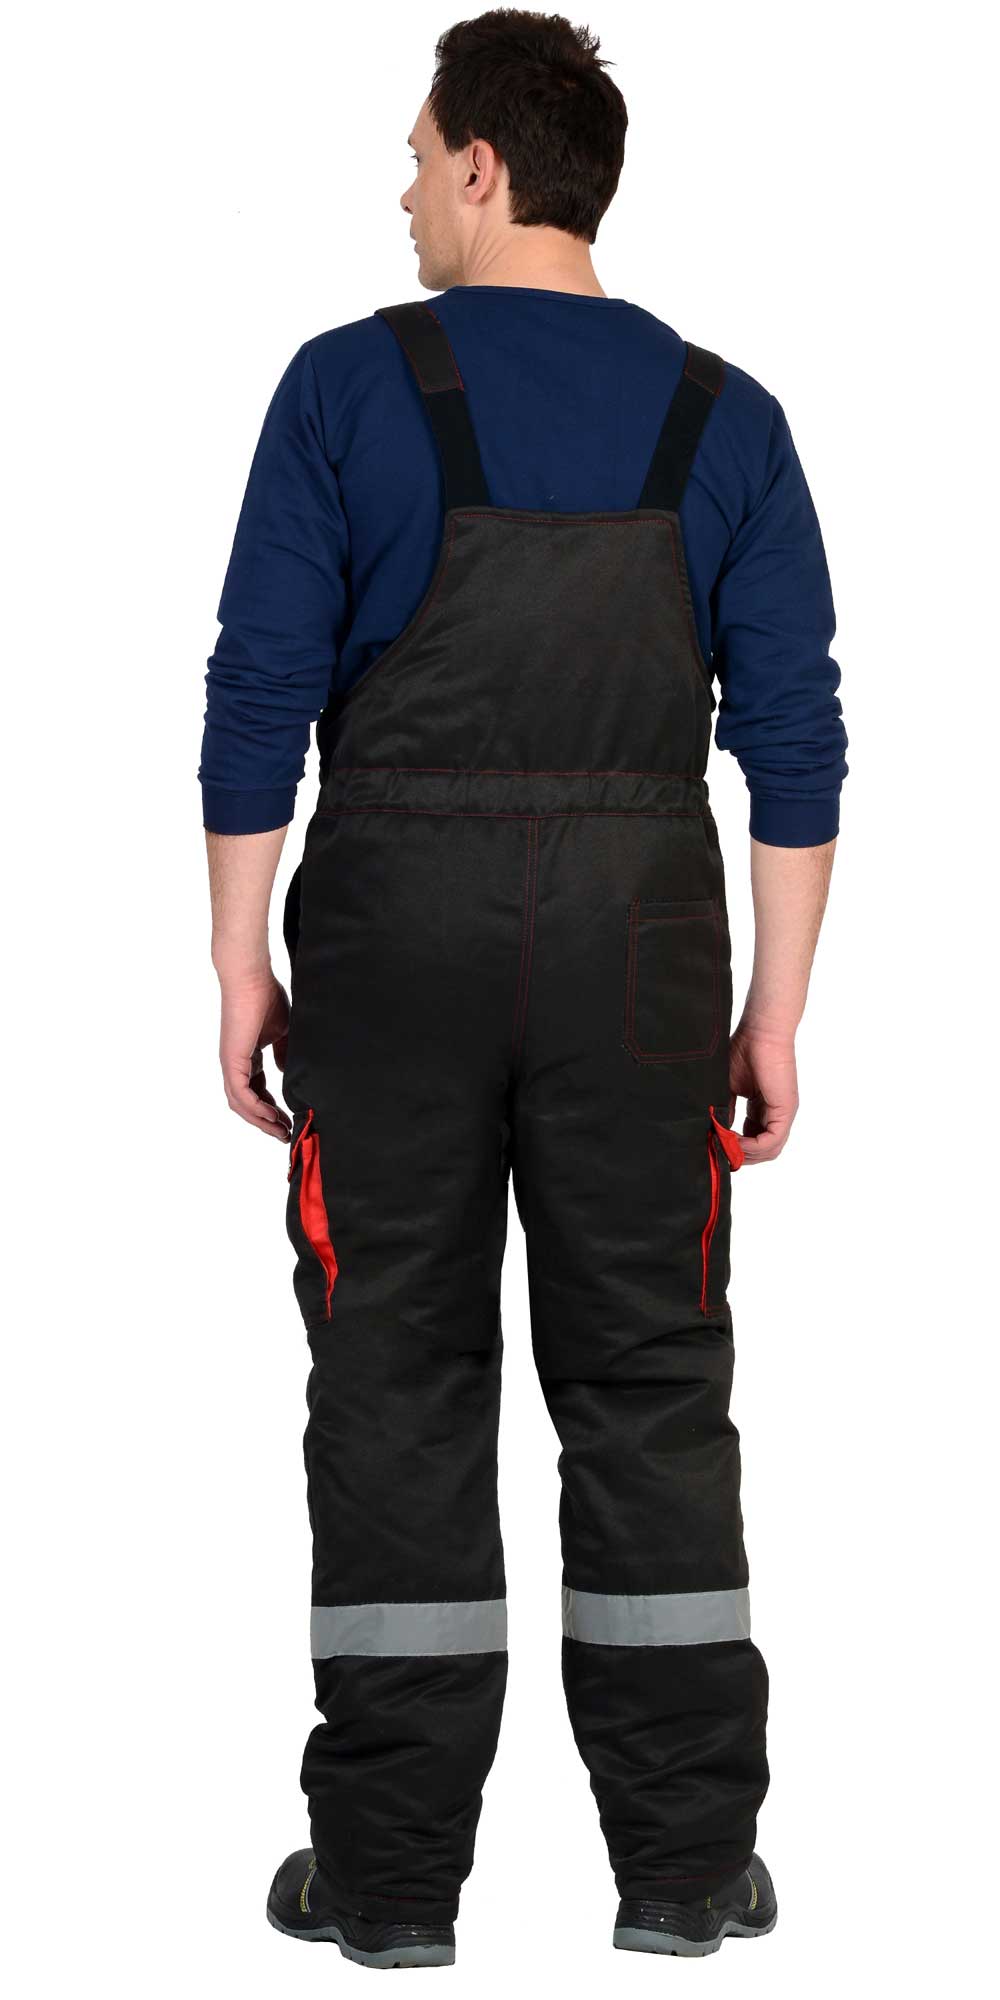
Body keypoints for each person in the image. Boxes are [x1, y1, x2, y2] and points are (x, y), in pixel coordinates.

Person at [200, 9, 846, 1969]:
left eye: (416, 155)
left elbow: (259, 692)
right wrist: (774, 1009)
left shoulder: (344, 386)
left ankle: (392, 1883)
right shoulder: (728, 419)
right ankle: (683, 1868)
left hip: (392, 929)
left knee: (394, 1378)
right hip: (644, 941)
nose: (402, 189)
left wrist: (236, 956)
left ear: (484, 166)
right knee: (647, 1377)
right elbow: (795, 741)